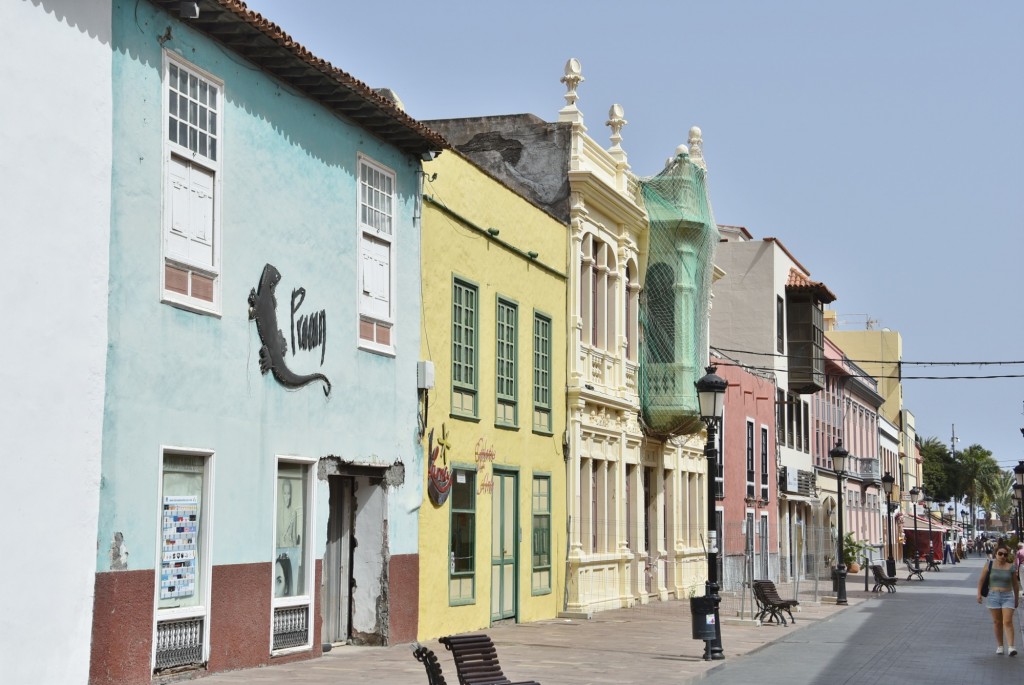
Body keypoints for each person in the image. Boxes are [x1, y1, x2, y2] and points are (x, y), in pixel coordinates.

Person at [977, 542, 1021, 656]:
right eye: (1000, 554)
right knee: (997, 622)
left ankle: (1011, 647)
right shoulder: (989, 565)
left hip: (1007, 596)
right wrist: (979, 594)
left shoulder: (1011, 567)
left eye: (1005, 555)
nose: (1002, 556)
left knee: (1007, 621)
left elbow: (1015, 585)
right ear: (995, 554)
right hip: (993, 595)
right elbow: (981, 581)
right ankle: (1000, 646)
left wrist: (1016, 599)